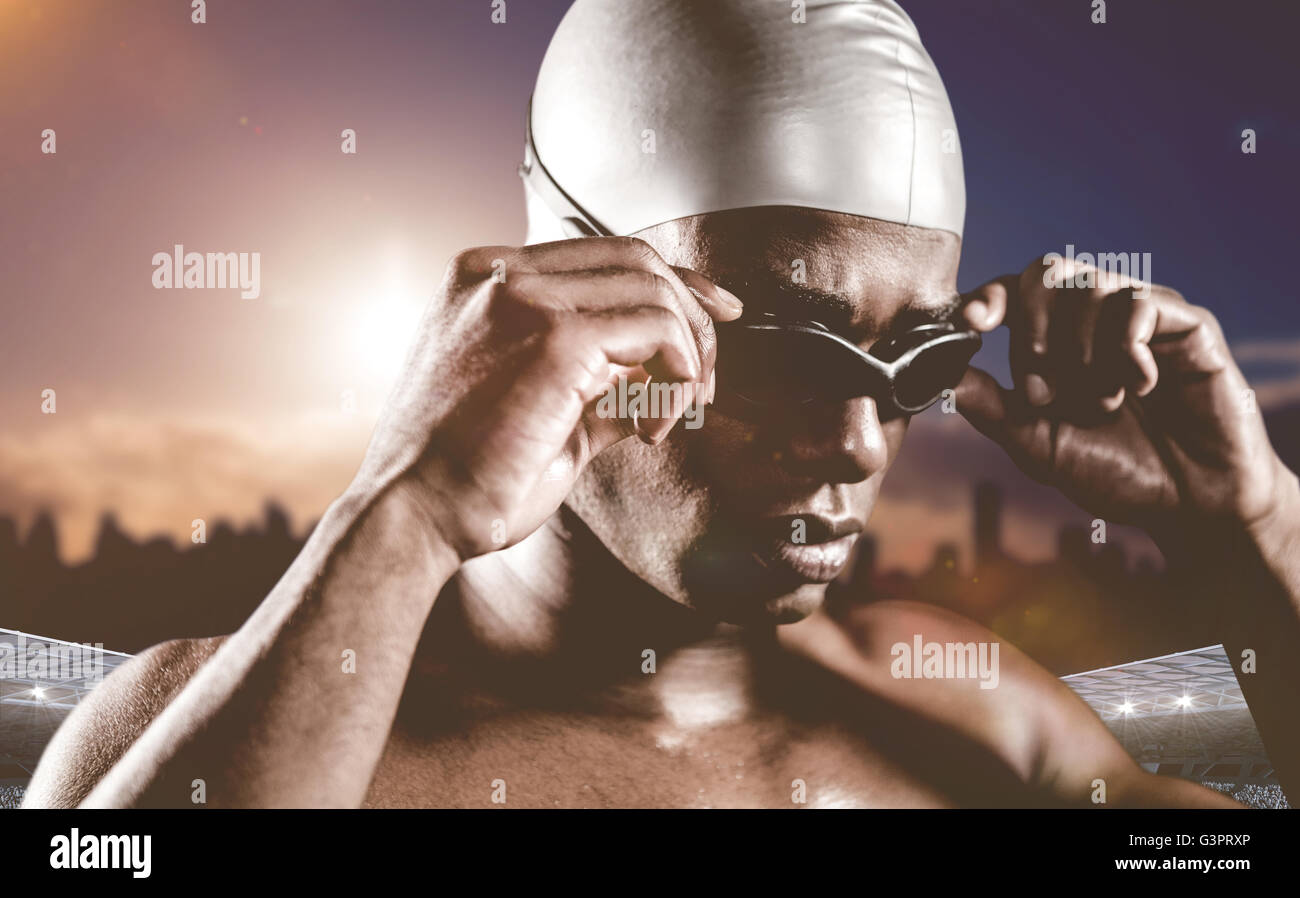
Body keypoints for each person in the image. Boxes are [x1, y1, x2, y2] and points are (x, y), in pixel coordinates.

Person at [25, 0, 1300, 809]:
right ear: (568, 307)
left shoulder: (976, 721)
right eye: (789, 353)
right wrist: (402, 513)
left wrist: (1247, 527)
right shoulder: (210, 728)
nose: (859, 443)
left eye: (908, 366)